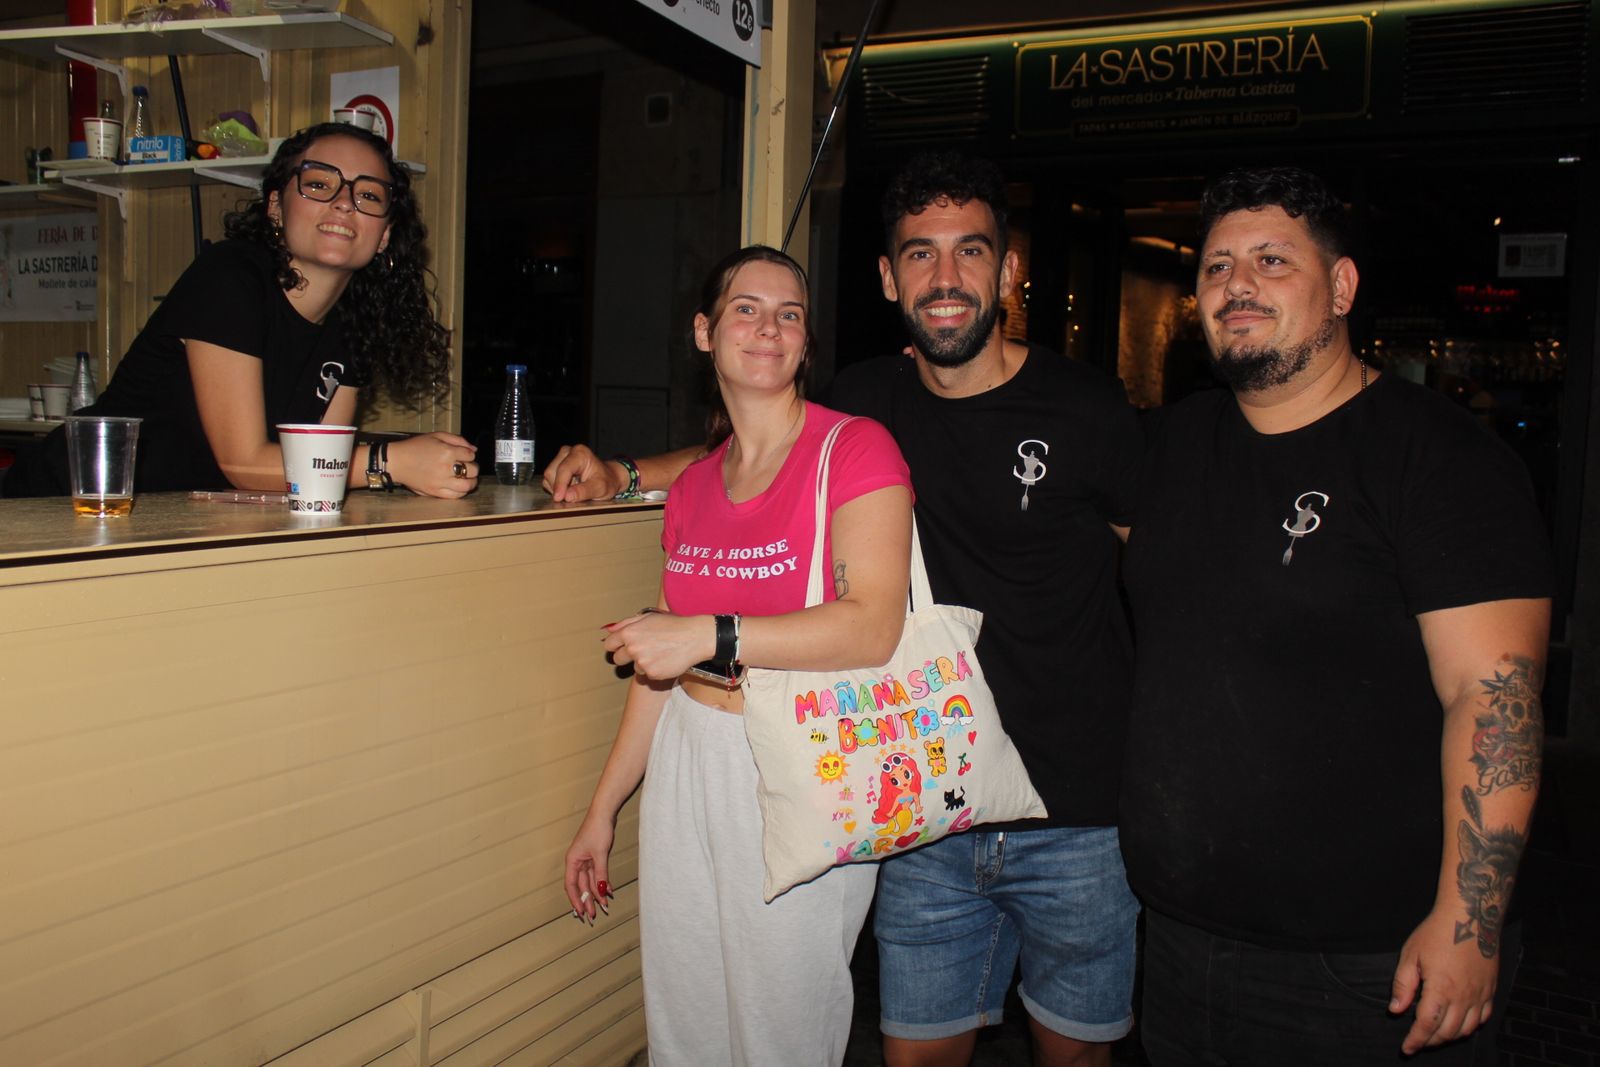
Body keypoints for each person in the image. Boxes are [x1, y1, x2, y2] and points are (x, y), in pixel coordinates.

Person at [548, 152, 1143, 1067]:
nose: (944, 278)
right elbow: (747, 444)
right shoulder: (871, 395)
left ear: (1008, 269)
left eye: (971, 251)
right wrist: (624, 474)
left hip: (1070, 796)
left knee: (1073, 1051)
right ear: (887, 276)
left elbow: (1156, 568)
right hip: (913, 787)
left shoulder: (1083, 407)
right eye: (919, 255)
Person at [1119, 166, 1551, 1065]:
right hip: (1177, 942)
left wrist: (1470, 926)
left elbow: (1495, 697)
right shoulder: (1170, 446)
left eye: (1272, 261)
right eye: (1216, 266)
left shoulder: (1439, 461)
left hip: (1369, 969)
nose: (1236, 284)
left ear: (1342, 286)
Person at [562, 245, 914, 1067]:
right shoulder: (691, 487)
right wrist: (603, 808)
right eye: (746, 309)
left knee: (780, 1029)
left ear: (805, 343)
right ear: (704, 332)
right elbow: (661, 670)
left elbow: (872, 626)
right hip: (691, 753)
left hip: (801, 760)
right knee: (685, 1014)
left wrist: (712, 631)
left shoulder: (855, 449)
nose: (769, 327)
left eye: (790, 313)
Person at [4, 122, 476, 499]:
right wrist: (391, 462)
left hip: (173, 530)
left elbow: (318, 477)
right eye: (318, 184)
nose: (343, 203)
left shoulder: (353, 323)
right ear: (275, 207)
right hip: (56, 512)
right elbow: (244, 461)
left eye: (368, 195)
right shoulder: (230, 275)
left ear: (386, 235)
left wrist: (425, 463)